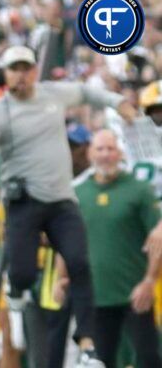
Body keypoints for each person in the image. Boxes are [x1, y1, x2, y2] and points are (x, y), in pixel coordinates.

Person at [0, 45, 138, 367]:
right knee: (24, 274)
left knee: (81, 265)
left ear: (33, 71)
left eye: (26, 68)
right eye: (14, 69)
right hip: (24, 202)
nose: (22, 74)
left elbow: (86, 92)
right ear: (6, 74)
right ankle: (17, 293)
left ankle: (87, 345)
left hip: (60, 200)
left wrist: (118, 102)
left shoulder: (53, 94)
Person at [70, 129, 162, 368]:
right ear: (90, 153)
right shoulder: (79, 193)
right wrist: (64, 278)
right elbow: (70, 242)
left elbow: (157, 241)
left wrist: (149, 280)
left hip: (135, 293)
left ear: (120, 153)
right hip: (97, 294)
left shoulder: (139, 190)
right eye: (100, 149)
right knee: (102, 360)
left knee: (148, 358)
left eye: (110, 149)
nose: (105, 155)